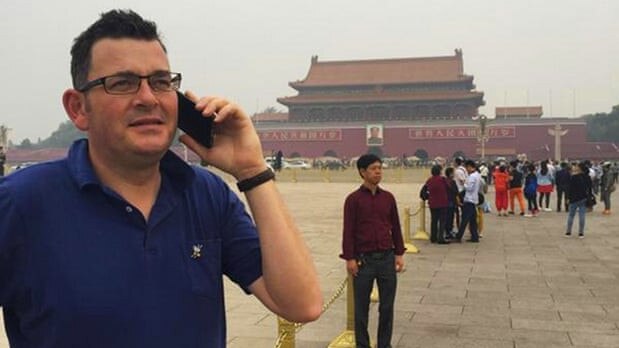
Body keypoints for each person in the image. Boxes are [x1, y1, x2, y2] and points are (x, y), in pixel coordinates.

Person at [0, 10, 322, 348]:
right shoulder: (22, 202)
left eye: (161, 82)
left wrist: (252, 171)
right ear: (78, 108)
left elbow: (301, 304)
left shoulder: (206, 195)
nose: (148, 98)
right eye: (122, 83)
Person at [341, 153, 405, 348]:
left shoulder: (388, 198)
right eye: (373, 169)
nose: (378, 172)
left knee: (387, 307)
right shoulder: (353, 200)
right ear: (362, 172)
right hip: (363, 261)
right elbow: (348, 231)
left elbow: (395, 225)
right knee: (361, 309)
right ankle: (362, 344)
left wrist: (399, 253)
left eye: (380, 168)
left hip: (386, 258)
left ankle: (384, 344)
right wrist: (350, 258)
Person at [454, 160, 482, 243]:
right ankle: (475, 236)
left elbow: (469, 188)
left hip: (469, 200)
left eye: (467, 168)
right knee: (473, 220)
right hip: (474, 200)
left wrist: (464, 184)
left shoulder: (472, 176)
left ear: (470, 166)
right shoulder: (477, 175)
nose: (466, 170)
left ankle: (459, 236)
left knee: (465, 220)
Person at [565, 162, 593, 238]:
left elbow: (570, 189)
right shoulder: (588, 177)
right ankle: (581, 233)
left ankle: (568, 232)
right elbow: (590, 189)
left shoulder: (574, 177)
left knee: (571, 215)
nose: (575, 167)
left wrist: (568, 198)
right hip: (583, 198)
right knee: (582, 216)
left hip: (573, 199)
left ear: (580, 168)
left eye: (577, 166)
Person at [424, 165, 450, 244]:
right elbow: (448, 187)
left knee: (434, 221)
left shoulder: (429, 180)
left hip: (432, 203)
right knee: (442, 221)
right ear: (439, 171)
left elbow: (426, 189)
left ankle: (433, 237)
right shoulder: (442, 179)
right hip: (442, 203)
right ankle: (441, 238)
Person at [444, 167, 459, 239]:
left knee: (446, 217)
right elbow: (456, 192)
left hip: (445, 202)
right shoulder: (452, 182)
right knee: (450, 217)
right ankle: (449, 231)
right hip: (451, 202)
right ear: (450, 174)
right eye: (453, 172)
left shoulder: (444, 181)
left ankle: (446, 231)